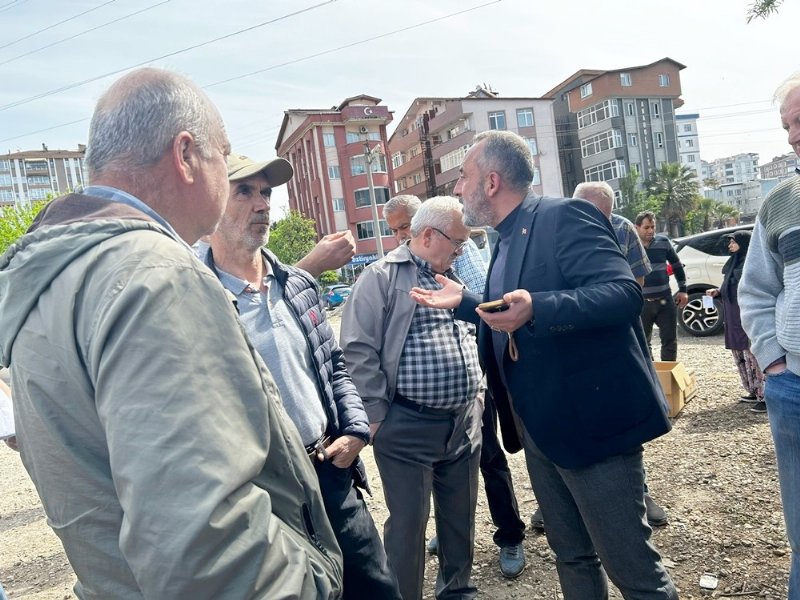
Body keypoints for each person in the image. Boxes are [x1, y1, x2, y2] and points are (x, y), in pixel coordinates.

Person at [0, 68, 342, 599]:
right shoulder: (157, 276)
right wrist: (307, 582)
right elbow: (207, 551)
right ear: (186, 156)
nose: (232, 182)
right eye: (222, 158)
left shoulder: (52, 279)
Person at [410, 130, 677, 599]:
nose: (456, 188)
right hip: (540, 427)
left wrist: (541, 307)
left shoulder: (563, 216)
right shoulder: (504, 241)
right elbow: (514, 310)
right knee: (571, 556)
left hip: (592, 428)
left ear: (491, 181)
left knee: (632, 568)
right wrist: (467, 302)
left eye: (462, 177)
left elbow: (622, 295)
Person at [198, 152, 401, 599]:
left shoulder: (297, 285)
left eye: (266, 193)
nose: (262, 204)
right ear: (212, 200)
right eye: (244, 191)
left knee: (376, 588)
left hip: (332, 472)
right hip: (264, 494)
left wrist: (355, 430)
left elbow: (335, 368)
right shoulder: (194, 297)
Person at [341, 196, 484, 600]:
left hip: (463, 423)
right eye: (457, 242)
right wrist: (377, 416)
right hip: (406, 428)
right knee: (407, 528)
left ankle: (458, 592)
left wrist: (478, 394)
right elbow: (356, 348)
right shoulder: (380, 277)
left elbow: (476, 330)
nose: (461, 250)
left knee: (460, 520)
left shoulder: (456, 276)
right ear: (427, 235)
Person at [383, 194, 527, 578]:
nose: (401, 235)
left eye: (405, 226)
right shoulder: (394, 271)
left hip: (474, 386)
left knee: (491, 460)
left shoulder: (458, 254)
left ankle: (510, 533)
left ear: (426, 227)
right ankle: (445, 535)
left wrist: (479, 386)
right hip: (427, 411)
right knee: (439, 474)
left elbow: (487, 307)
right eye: (395, 229)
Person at [526, 182, 666, 532]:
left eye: (596, 213)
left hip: (614, 338)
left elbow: (630, 286)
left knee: (624, 422)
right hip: (565, 336)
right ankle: (556, 501)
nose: (586, 219)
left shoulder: (623, 229)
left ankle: (639, 492)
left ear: (608, 211)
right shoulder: (552, 226)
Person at [739, 73, 800, 596]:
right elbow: (757, 290)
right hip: (794, 387)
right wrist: (774, 364)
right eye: (787, 125)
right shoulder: (781, 201)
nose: (791, 136)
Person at [706, 231, 766, 413]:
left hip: (747, 315)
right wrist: (718, 291)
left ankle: (764, 395)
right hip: (733, 316)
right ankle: (753, 390)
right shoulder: (734, 263)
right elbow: (730, 284)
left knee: (752, 353)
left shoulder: (752, 264)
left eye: (733, 242)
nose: (730, 245)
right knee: (739, 351)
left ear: (743, 243)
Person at [573, 181, 652, 286]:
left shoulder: (624, 228)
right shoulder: (560, 230)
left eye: (601, 218)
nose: (593, 224)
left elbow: (638, 277)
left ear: (610, 209)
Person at [635, 211, 689, 361]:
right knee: (643, 344)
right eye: (646, 227)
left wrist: (683, 290)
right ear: (637, 227)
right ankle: (652, 377)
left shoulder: (663, 242)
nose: (651, 231)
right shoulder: (631, 246)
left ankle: (668, 378)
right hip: (642, 303)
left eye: (653, 227)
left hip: (665, 301)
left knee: (670, 342)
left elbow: (677, 265)